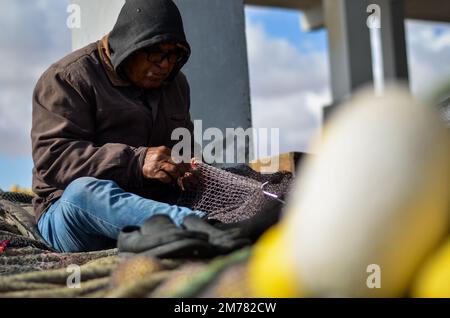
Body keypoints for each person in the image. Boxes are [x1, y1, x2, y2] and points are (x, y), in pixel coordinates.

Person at [31, 0, 206, 253]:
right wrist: (136, 162)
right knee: (83, 193)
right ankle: (203, 227)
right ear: (129, 46)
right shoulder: (67, 78)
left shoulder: (176, 84)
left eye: (174, 55)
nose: (165, 65)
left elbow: (184, 147)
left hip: (148, 206)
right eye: (156, 53)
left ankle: (180, 228)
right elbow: (54, 157)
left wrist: (187, 167)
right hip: (72, 217)